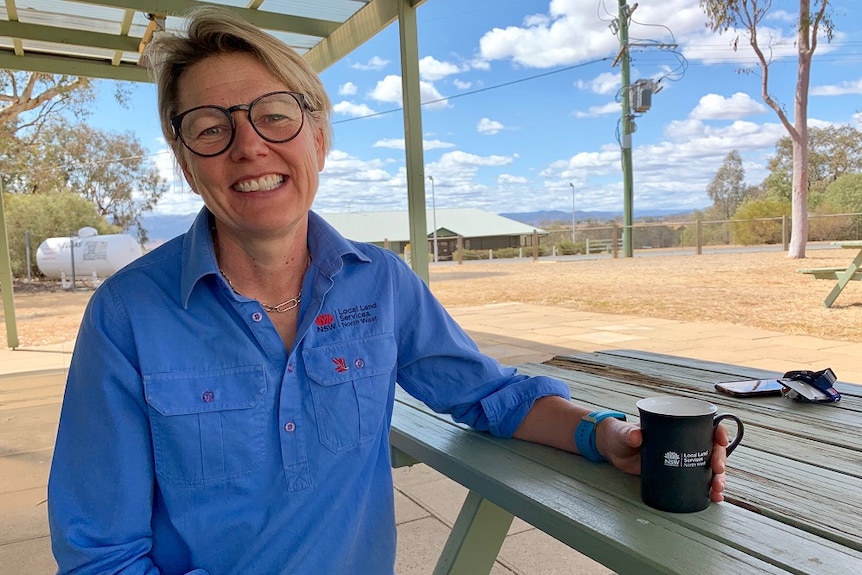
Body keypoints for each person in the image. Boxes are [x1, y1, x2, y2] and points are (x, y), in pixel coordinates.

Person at [47, 7, 729, 575]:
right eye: (211, 127)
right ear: (188, 163)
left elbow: (490, 395)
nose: (248, 146)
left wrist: (605, 434)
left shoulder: (381, 284)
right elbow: (99, 553)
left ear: (318, 136)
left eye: (275, 115)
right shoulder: (128, 315)